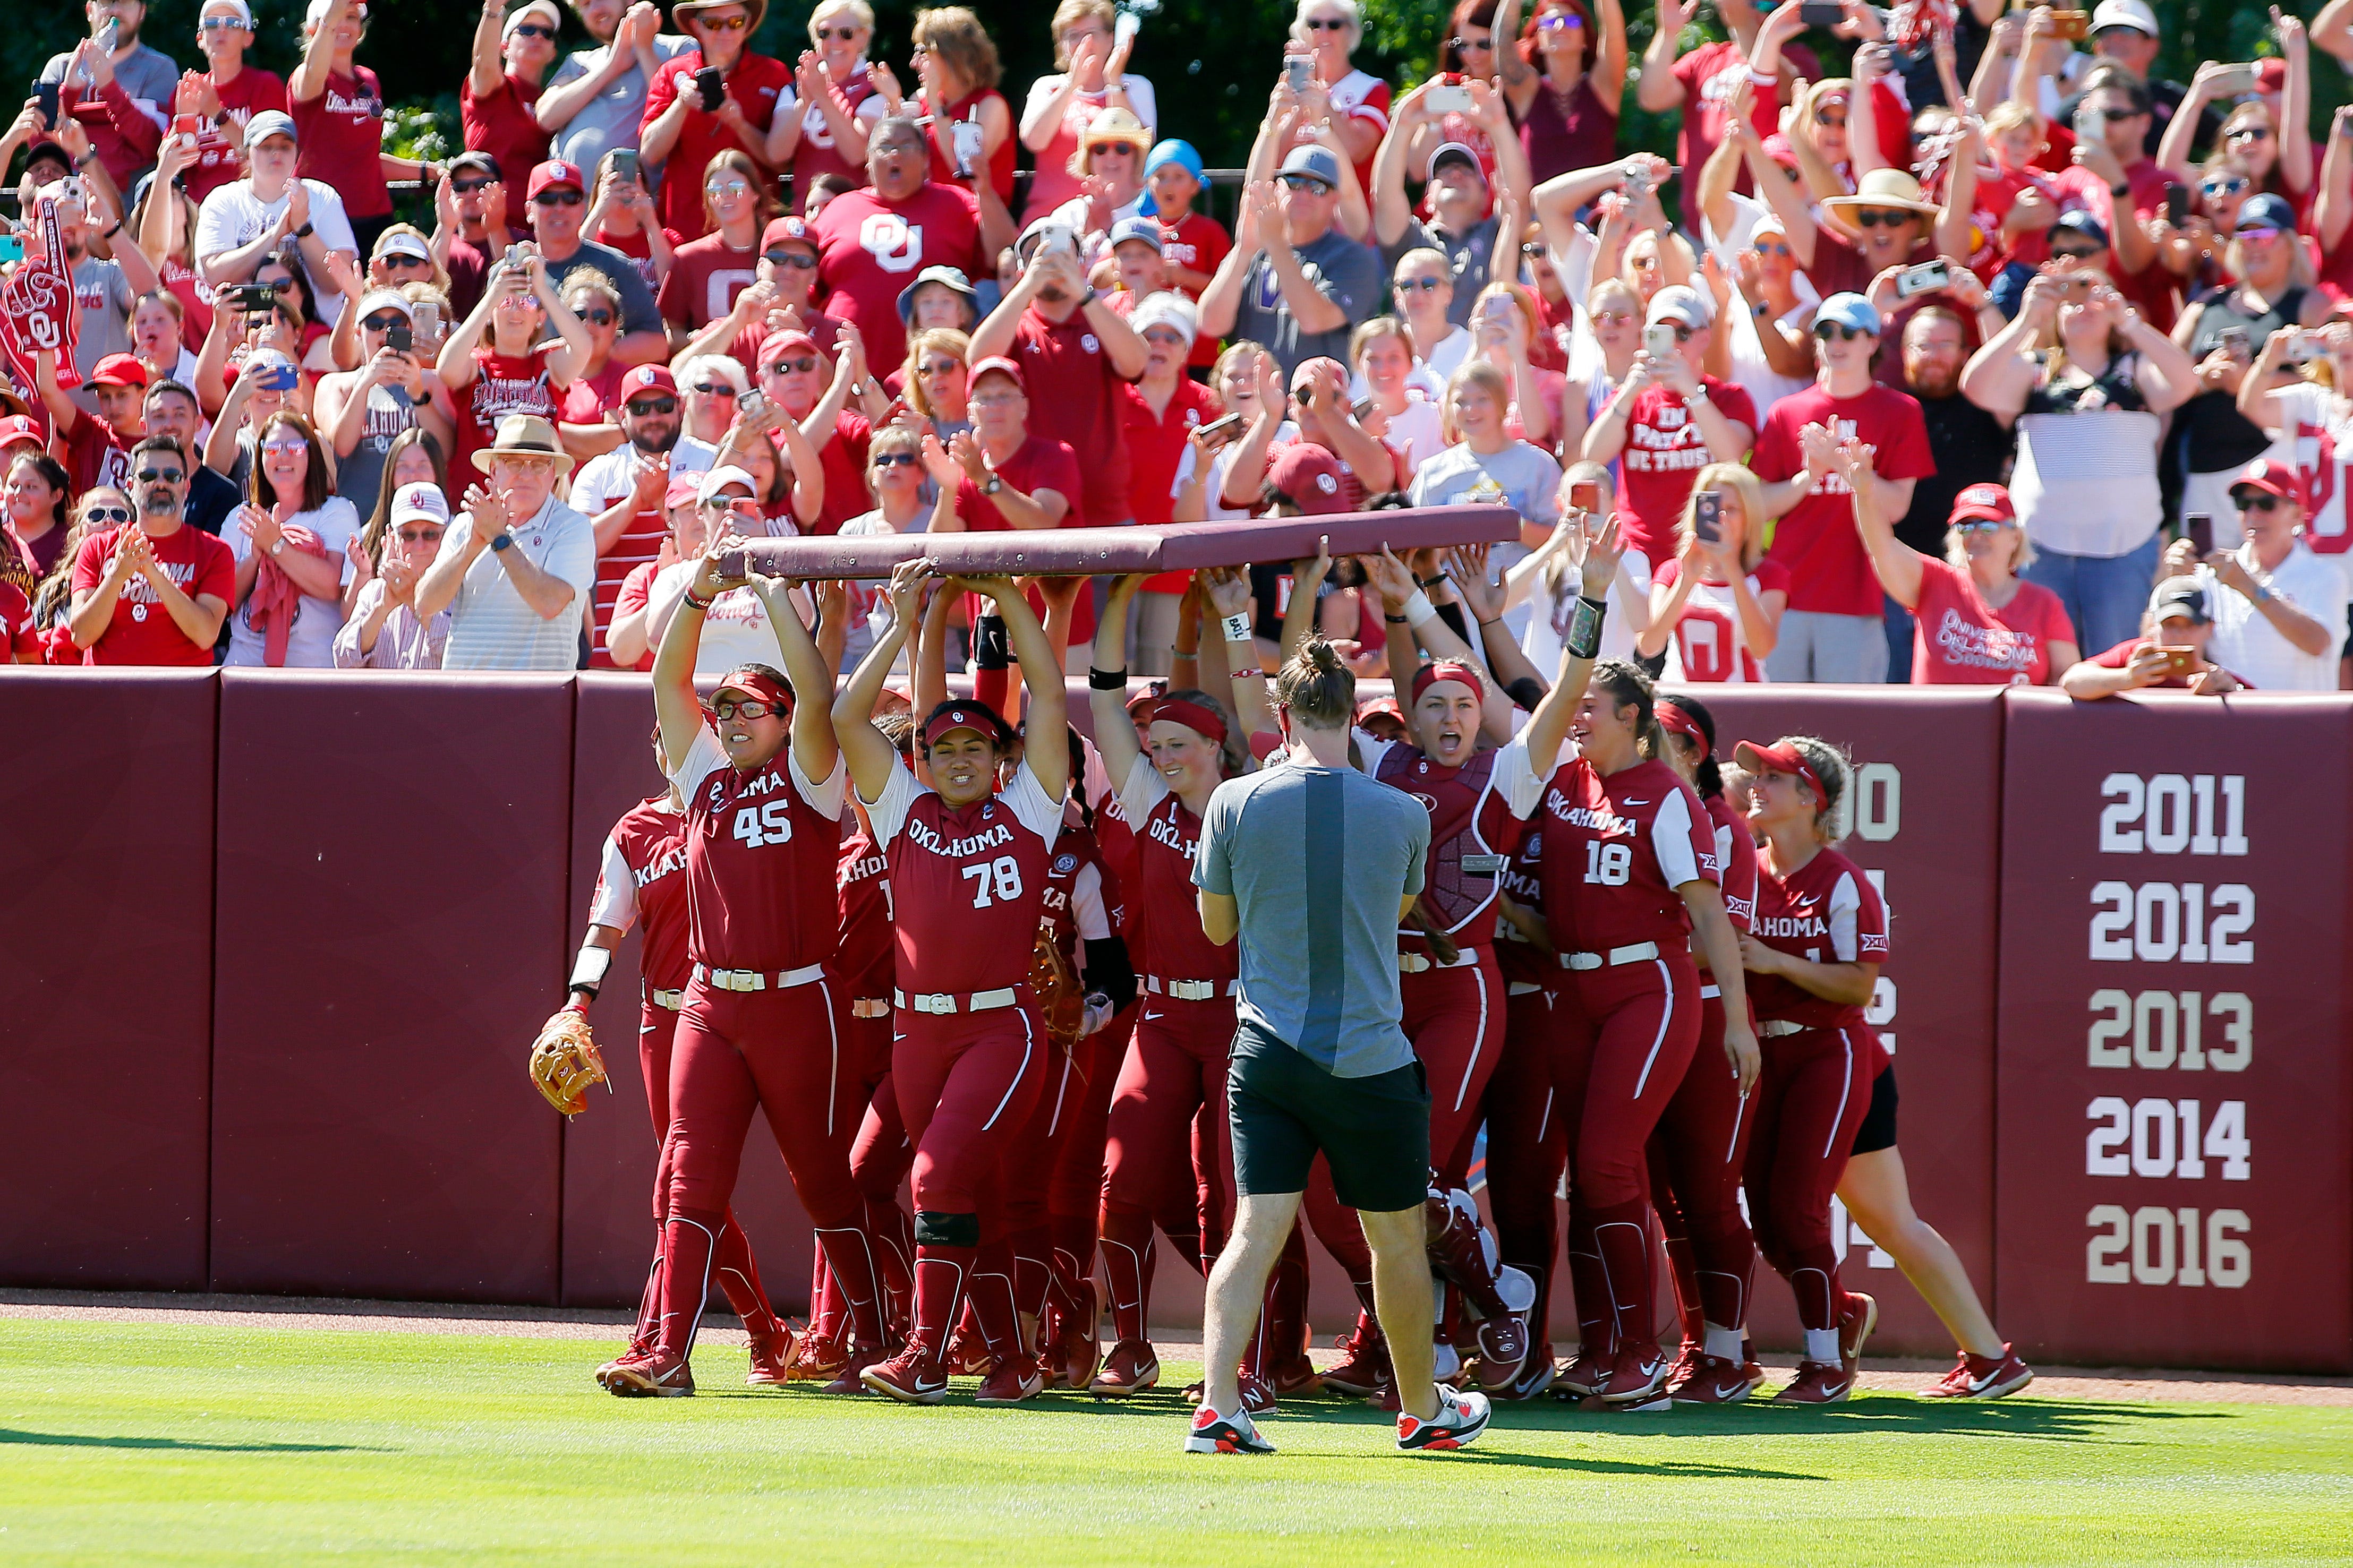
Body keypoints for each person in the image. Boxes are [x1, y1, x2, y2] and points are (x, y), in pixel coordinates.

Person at [1185, 636, 1490, 1456]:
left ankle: (1217, 1405)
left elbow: (1217, 928)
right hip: (1367, 1055)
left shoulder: (1234, 802)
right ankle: (1422, 1407)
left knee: (1254, 1231)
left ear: (1282, 714)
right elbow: (1391, 912)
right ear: (1352, 717)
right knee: (1394, 1241)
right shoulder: (1402, 810)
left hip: (1267, 1050)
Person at [603, 536, 885, 1398]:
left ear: (782, 716)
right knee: (690, 1175)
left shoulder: (809, 774)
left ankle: (876, 1336)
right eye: (724, 711)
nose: (729, 722)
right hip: (711, 1004)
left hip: (800, 1002)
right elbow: (666, 683)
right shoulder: (706, 783)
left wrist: (770, 600)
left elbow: (821, 697)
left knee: (824, 1180)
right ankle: (668, 1355)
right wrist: (693, 594)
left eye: (747, 711)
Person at [831, 559, 1073, 1406]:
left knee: (933, 1177)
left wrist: (1007, 596)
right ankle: (1010, 1358)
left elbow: (1048, 695)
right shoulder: (902, 810)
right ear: (923, 758)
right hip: (914, 1032)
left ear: (998, 755)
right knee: (975, 1193)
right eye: (945, 747)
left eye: (977, 745)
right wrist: (900, 624)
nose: (962, 758)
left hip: (998, 1028)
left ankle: (925, 1355)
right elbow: (844, 715)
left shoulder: (1031, 806)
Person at [1538, 654, 1757, 1409]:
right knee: (1586, 1174)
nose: (1575, 713)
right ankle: (1603, 1350)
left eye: (1590, 703)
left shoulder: (1664, 794)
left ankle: (1641, 1356)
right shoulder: (1562, 777)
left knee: (1606, 1162)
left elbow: (1707, 914)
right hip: (1571, 985)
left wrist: (1735, 1018)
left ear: (1631, 716)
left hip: (1646, 984)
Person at [571, 732, 796, 1391]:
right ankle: (763, 1334)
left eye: (692, 736)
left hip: (741, 1011)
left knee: (680, 1189)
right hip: (664, 1021)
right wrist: (577, 1005)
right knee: (690, 1191)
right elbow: (604, 928)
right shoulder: (635, 830)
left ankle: (664, 1342)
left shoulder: (741, 810)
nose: (680, 748)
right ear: (654, 747)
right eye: (668, 738)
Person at [1084, 577, 1255, 1400]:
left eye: (1178, 743)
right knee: (1120, 1180)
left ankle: (1257, 1361)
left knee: (1234, 1191)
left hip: (1237, 1018)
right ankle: (1132, 1348)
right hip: (1159, 1013)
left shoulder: (1250, 804)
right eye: (1156, 746)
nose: (1160, 754)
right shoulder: (1147, 803)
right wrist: (1114, 594)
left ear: (1217, 747)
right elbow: (1105, 697)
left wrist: (1230, 617)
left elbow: (1264, 701)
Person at [1730, 734, 1888, 1404]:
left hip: (1828, 1049)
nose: (1756, 786)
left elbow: (1858, 987)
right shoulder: (1743, 865)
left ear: (1811, 799)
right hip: (1764, 1052)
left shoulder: (1841, 879)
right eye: (1755, 775)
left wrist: (1775, 961)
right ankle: (1842, 1311)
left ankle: (1825, 1361)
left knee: (1796, 1210)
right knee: (1764, 1218)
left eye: (1775, 777)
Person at [1959, 271, 2196, 656]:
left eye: (2095, 297)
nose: (2083, 307)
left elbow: (2185, 382)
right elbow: (1976, 385)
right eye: (2071, 300)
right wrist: (2027, 319)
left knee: (2117, 662)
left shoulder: (2135, 367)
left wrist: (2131, 322)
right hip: (2043, 547)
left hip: (2124, 546)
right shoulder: (2035, 370)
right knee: (2048, 665)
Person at [1750, 293, 1934, 684]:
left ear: (1872, 342)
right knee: (1777, 723)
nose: (1836, 342)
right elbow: (1759, 505)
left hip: (1857, 598)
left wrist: (1842, 466)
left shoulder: (1901, 411)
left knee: (1848, 732)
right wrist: (1808, 477)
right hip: (1784, 595)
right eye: (1826, 331)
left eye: (1849, 333)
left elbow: (1897, 506)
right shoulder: (1787, 411)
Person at [969, 220, 1148, 536]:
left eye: (1062, 254)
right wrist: (1027, 287)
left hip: (1105, 509)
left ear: (1081, 264)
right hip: (1031, 506)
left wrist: (1082, 292)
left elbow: (1136, 363)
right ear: (1023, 268)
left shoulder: (1101, 319)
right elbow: (977, 359)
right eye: (1037, 255)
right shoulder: (1017, 326)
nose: (1051, 262)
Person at [2171, 195, 2332, 529]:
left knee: (2271, 570)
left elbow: (2329, 383)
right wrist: (2205, 378)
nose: (2253, 247)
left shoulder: (2308, 306)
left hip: (2273, 463)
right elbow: (2163, 376)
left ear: (2290, 245)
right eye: (2244, 237)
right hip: (2203, 468)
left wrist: (2253, 380)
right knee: (2204, 567)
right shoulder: (2206, 306)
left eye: (2265, 237)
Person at [1580, 284, 1758, 570]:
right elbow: (1592, 456)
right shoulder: (1631, 398)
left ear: (1705, 338)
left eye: (1683, 334)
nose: (1674, 344)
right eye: (1661, 334)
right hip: (1637, 552)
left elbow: (1731, 457)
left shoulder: (1731, 398)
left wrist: (1691, 391)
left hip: (1705, 554)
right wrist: (1629, 391)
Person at [1882, 305, 2017, 679]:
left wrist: (1983, 304)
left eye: (1946, 344)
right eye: (1924, 345)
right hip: (1900, 577)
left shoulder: (1989, 409)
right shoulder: (1890, 409)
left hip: (1972, 577)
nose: (1934, 355)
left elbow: (2011, 366)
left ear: (1965, 354)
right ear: (1905, 353)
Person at [1853, 472, 2079, 686]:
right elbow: (1881, 547)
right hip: (1938, 725)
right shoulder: (1935, 582)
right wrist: (1864, 493)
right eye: (1966, 527)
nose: (1976, 535)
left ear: (2015, 537)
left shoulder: (2044, 604)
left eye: (1988, 526)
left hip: (2016, 727)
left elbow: (2065, 680)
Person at [413, 413, 594, 670]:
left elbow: (550, 603)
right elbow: (426, 603)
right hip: (467, 696)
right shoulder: (467, 525)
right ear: (493, 470)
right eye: (514, 463)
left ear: (553, 473)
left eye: (539, 464)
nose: (526, 474)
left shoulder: (573, 527)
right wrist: (473, 544)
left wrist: (498, 539)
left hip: (541, 699)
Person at [812, 118, 987, 376]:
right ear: (869, 161)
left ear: (926, 159)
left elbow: (1000, 257)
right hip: (846, 373)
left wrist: (987, 192)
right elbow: (811, 287)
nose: (895, 153)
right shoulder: (837, 209)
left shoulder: (958, 203)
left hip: (934, 373)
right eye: (885, 146)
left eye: (906, 146)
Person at [2157, 458, 2345, 692]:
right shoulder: (2212, 573)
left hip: (2301, 723)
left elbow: (2318, 644)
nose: (2253, 514)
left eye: (2267, 504)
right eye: (2243, 504)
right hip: (2234, 724)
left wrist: (2250, 588)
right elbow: (2163, 644)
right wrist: (2172, 584)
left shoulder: (2325, 576)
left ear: (2297, 514)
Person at [1197, 149, 1384, 380]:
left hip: (1315, 406)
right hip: (1251, 400)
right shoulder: (1253, 250)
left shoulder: (1353, 258)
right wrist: (1243, 249)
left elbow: (1313, 320)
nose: (1304, 194)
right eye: (1294, 183)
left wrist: (1276, 244)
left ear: (1335, 199)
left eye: (1318, 188)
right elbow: (1210, 324)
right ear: (1278, 189)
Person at [65, 435, 232, 665]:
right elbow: (81, 636)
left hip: (182, 693)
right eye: (148, 476)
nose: (160, 483)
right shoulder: (96, 546)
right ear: (131, 487)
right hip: (107, 693)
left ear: (187, 486)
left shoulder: (215, 551)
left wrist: (154, 574)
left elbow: (206, 636)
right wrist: (116, 577)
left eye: (172, 476)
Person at [437, 239, 595, 476]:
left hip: (537, 495)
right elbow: (446, 369)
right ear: (490, 312)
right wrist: (493, 296)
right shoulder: (475, 365)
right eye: (506, 301)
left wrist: (542, 287)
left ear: (541, 318)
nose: (515, 310)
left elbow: (583, 347)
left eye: (527, 302)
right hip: (480, 496)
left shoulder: (547, 366)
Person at [192, 108, 357, 334]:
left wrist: (303, 229)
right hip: (243, 334)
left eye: (285, 146)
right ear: (247, 153)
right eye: (266, 147)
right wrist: (274, 235)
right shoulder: (222, 201)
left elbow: (339, 283)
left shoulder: (323, 197)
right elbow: (214, 275)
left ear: (297, 153)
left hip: (316, 333)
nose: (276, 154)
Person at [640, 0, 790, 243]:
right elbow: (649, 153)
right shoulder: (671, 73)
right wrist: (681, 104)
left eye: (735, 22)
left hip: (756, 230)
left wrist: (739, 124)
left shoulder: (774, 75)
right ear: (695, 27)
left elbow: (782, 162)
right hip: (684, 229)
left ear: (747, 24)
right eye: (713, 24)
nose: (725, 32)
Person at [568, 363, 687, 664]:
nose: (653, 417)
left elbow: (716, 540)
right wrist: (636, 502)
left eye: (663, 406)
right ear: (622, 416)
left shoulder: (708, 459)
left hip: (691, 640)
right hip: (615, 644)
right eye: (640, 408)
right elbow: (579, 550)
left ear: (681, 407)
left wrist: (662, 502)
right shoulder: (598, 470)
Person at [292, 0, 432, 256]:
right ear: (312, 30)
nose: (343, 25)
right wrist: (331, 19)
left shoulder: (369, 80)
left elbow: (366, 159)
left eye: (352, 18)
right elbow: (312, 75)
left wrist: (425, 170)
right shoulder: (304, 77)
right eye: (334, 18)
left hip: (374, 215)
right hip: (322, 216)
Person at [222, 410, 359, 668]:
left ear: (312, 456)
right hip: (245, 666)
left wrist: (276, 546)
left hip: (315, 668)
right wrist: (254, 557)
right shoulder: (239, 517)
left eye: (295, 447)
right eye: (272, 448)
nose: (283, 455)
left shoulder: (336, 511)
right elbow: (223, 603)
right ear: (260, 457)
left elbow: (332, 586)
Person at [1639, 463, 1786, 684]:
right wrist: (1686, 580)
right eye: (1713, 507)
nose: (1721, 517)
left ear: (1750, 516)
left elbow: (1761, 648)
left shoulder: (1769, 575)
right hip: (1682, 701)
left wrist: (1733, 571)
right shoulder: (1672, 571)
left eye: (1732, 509)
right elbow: (1649, 646)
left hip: (1744, 703)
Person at [313, 290, 459, 514]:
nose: (385, 330)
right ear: (358, 332)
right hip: (361, 519)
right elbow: (341, 446)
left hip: (421, 518)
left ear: (409, 329)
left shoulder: (430, 381)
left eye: (396, 322)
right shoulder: (336, 385)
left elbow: (446, 451)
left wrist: (418, 394)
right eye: (375, 323)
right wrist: (366, 383)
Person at [518, 158, 671, 367]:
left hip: (595, 393)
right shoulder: (511, 271)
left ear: (582, 207)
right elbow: (488, 345)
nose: (560, 208)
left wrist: (594, 348)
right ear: (529, 211)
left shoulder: (616, 265)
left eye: (570, 198)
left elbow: (657, 345)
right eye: (548, 199)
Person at [1019, 0, 1156, 227]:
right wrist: (1072, 85)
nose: (1083, 43)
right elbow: (1034, 140)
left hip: (1121, 221)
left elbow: (1143, 144)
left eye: (1091, 33)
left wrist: (1113, 81)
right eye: (1072, 36)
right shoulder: (1048, 87)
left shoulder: (1135, 86)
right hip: (1051, 218)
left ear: (1109, 39)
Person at [36, 0, 177, 193]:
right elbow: (38, 145)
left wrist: (110, 90)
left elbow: (154, 146)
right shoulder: (59, 67)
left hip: (130, 205)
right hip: (64, 199)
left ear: (142, 12)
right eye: (106, 2)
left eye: (126, 3)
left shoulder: (160, 69)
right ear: (89, 11)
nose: (116, 11)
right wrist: (68, 94)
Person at [539, 0, 693, 174]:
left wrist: (644, 49)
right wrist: (612, 67)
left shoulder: (678, 48)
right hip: (569, 198)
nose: (596, 9)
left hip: (638, 196)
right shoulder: (577, 61)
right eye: (585, 4)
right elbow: (546, 118)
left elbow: (687, 114)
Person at [768, 1, 888, 202]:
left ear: (863, 37)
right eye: (824, 33)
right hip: (807, 212)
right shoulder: (794, 88)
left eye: (846, 33)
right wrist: (804, 104)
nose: (835, 42)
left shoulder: (875, 87)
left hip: (855, 211)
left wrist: (823, 96)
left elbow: (857, 155)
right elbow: (776, 155)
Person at [2059, 576, 2252, 697]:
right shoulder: (2137, 655)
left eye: (2190, 625)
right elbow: (2072, 680)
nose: (2179, 635)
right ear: (2153, 626)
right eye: (2169, 625)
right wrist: (2127, 679)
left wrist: (2231, 692)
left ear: (2210, 628)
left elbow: (2263, 713)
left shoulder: (2220, 666)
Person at [1502, 0, 1625, 185]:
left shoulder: (1603, 87)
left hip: (1600, 211)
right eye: (1550, 22)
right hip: (1541, 213)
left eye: (1572, 22)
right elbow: (1501, 45)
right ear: (1539, 38)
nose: (1560, 27)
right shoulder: (1527, 91)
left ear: (1585, 39)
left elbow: (1614, 32)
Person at [182, 0, 292, 207]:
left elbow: (271, 156)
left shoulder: (265, 85)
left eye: (232, 23)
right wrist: (185, 119)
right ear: (200, 39)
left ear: (248, 38)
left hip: (255, 206)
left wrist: (218, 114)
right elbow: (175, 164)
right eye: (212, 24)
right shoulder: (189, 90)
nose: (222, 29)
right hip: (199, 210)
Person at [333, 481, 452, 669]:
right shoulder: (373, 591)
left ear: (447, 535)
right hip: (381, 699)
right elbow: (343, 660)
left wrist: (416, 603)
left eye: (430, 534)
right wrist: (383, 608)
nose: (419, 545)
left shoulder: (462, 591)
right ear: (392, 537)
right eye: (408, 535)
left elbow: (461, 656)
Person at [910, 5, 1017, 209]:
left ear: (952, 55)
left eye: (922, 52)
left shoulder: (991, 105)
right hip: (927, 215)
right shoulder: (919, 100)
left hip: (974, 219)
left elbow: (960, 168)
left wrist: (935, 102)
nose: (914, 63)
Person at [657, 150, 772, 334]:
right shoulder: (688, 258)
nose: (725, 195)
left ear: (756, 194)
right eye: (715, 190)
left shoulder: (779, 251)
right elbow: (671, 330)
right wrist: (696, 341)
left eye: (735, 188)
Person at [463, 0, 559, 192]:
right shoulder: (494, 87)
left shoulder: (554, 102)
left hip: (537, 217)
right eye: (527, 30)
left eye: (547, 33)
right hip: (485, 214)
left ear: (553, 54)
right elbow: (484, 63)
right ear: (504, 47)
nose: (538, 37)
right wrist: (494, 8)